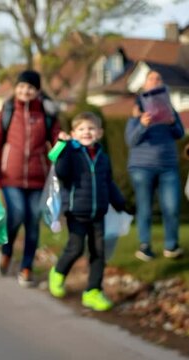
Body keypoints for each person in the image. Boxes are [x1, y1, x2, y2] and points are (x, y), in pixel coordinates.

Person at [0, 69, 64, 287]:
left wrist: (62, 140)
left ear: (37, 91)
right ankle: (7, 252)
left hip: (38, 177)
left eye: (30, 87)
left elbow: (56, 139)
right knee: (16, 213)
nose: (25, 91)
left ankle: (26, 267)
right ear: (16, 88)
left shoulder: (46, 115)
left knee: (33, 221)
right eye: (22, 86)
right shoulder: (7, 111)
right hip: (10, 176)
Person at [48, 112, 127, 311]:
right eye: (82, 129)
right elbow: (62, 172)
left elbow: (107, 182)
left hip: (98, 212)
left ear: (99, 133)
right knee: (75, 248)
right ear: (74, 133)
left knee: (99, 253)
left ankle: (93, 292)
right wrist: (64, 148)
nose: (87, 132)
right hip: (76, 211)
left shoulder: (103, 157)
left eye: (91, 128)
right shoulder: (71, 154)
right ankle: (57, 273)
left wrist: (120, 203)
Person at [125, 70, 185, 261]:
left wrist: (173, 123)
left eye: (159, 78)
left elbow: (180, 134)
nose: (156, 80)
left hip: (168, 166)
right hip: (142, 167)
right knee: (145, 208)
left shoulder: (169, 108)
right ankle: (145, 246)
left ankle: (171, 246)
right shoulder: (137, 110)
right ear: (144, 85)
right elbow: (130, 140)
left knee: (172, 207)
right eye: (151, 78)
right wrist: (142, 124)